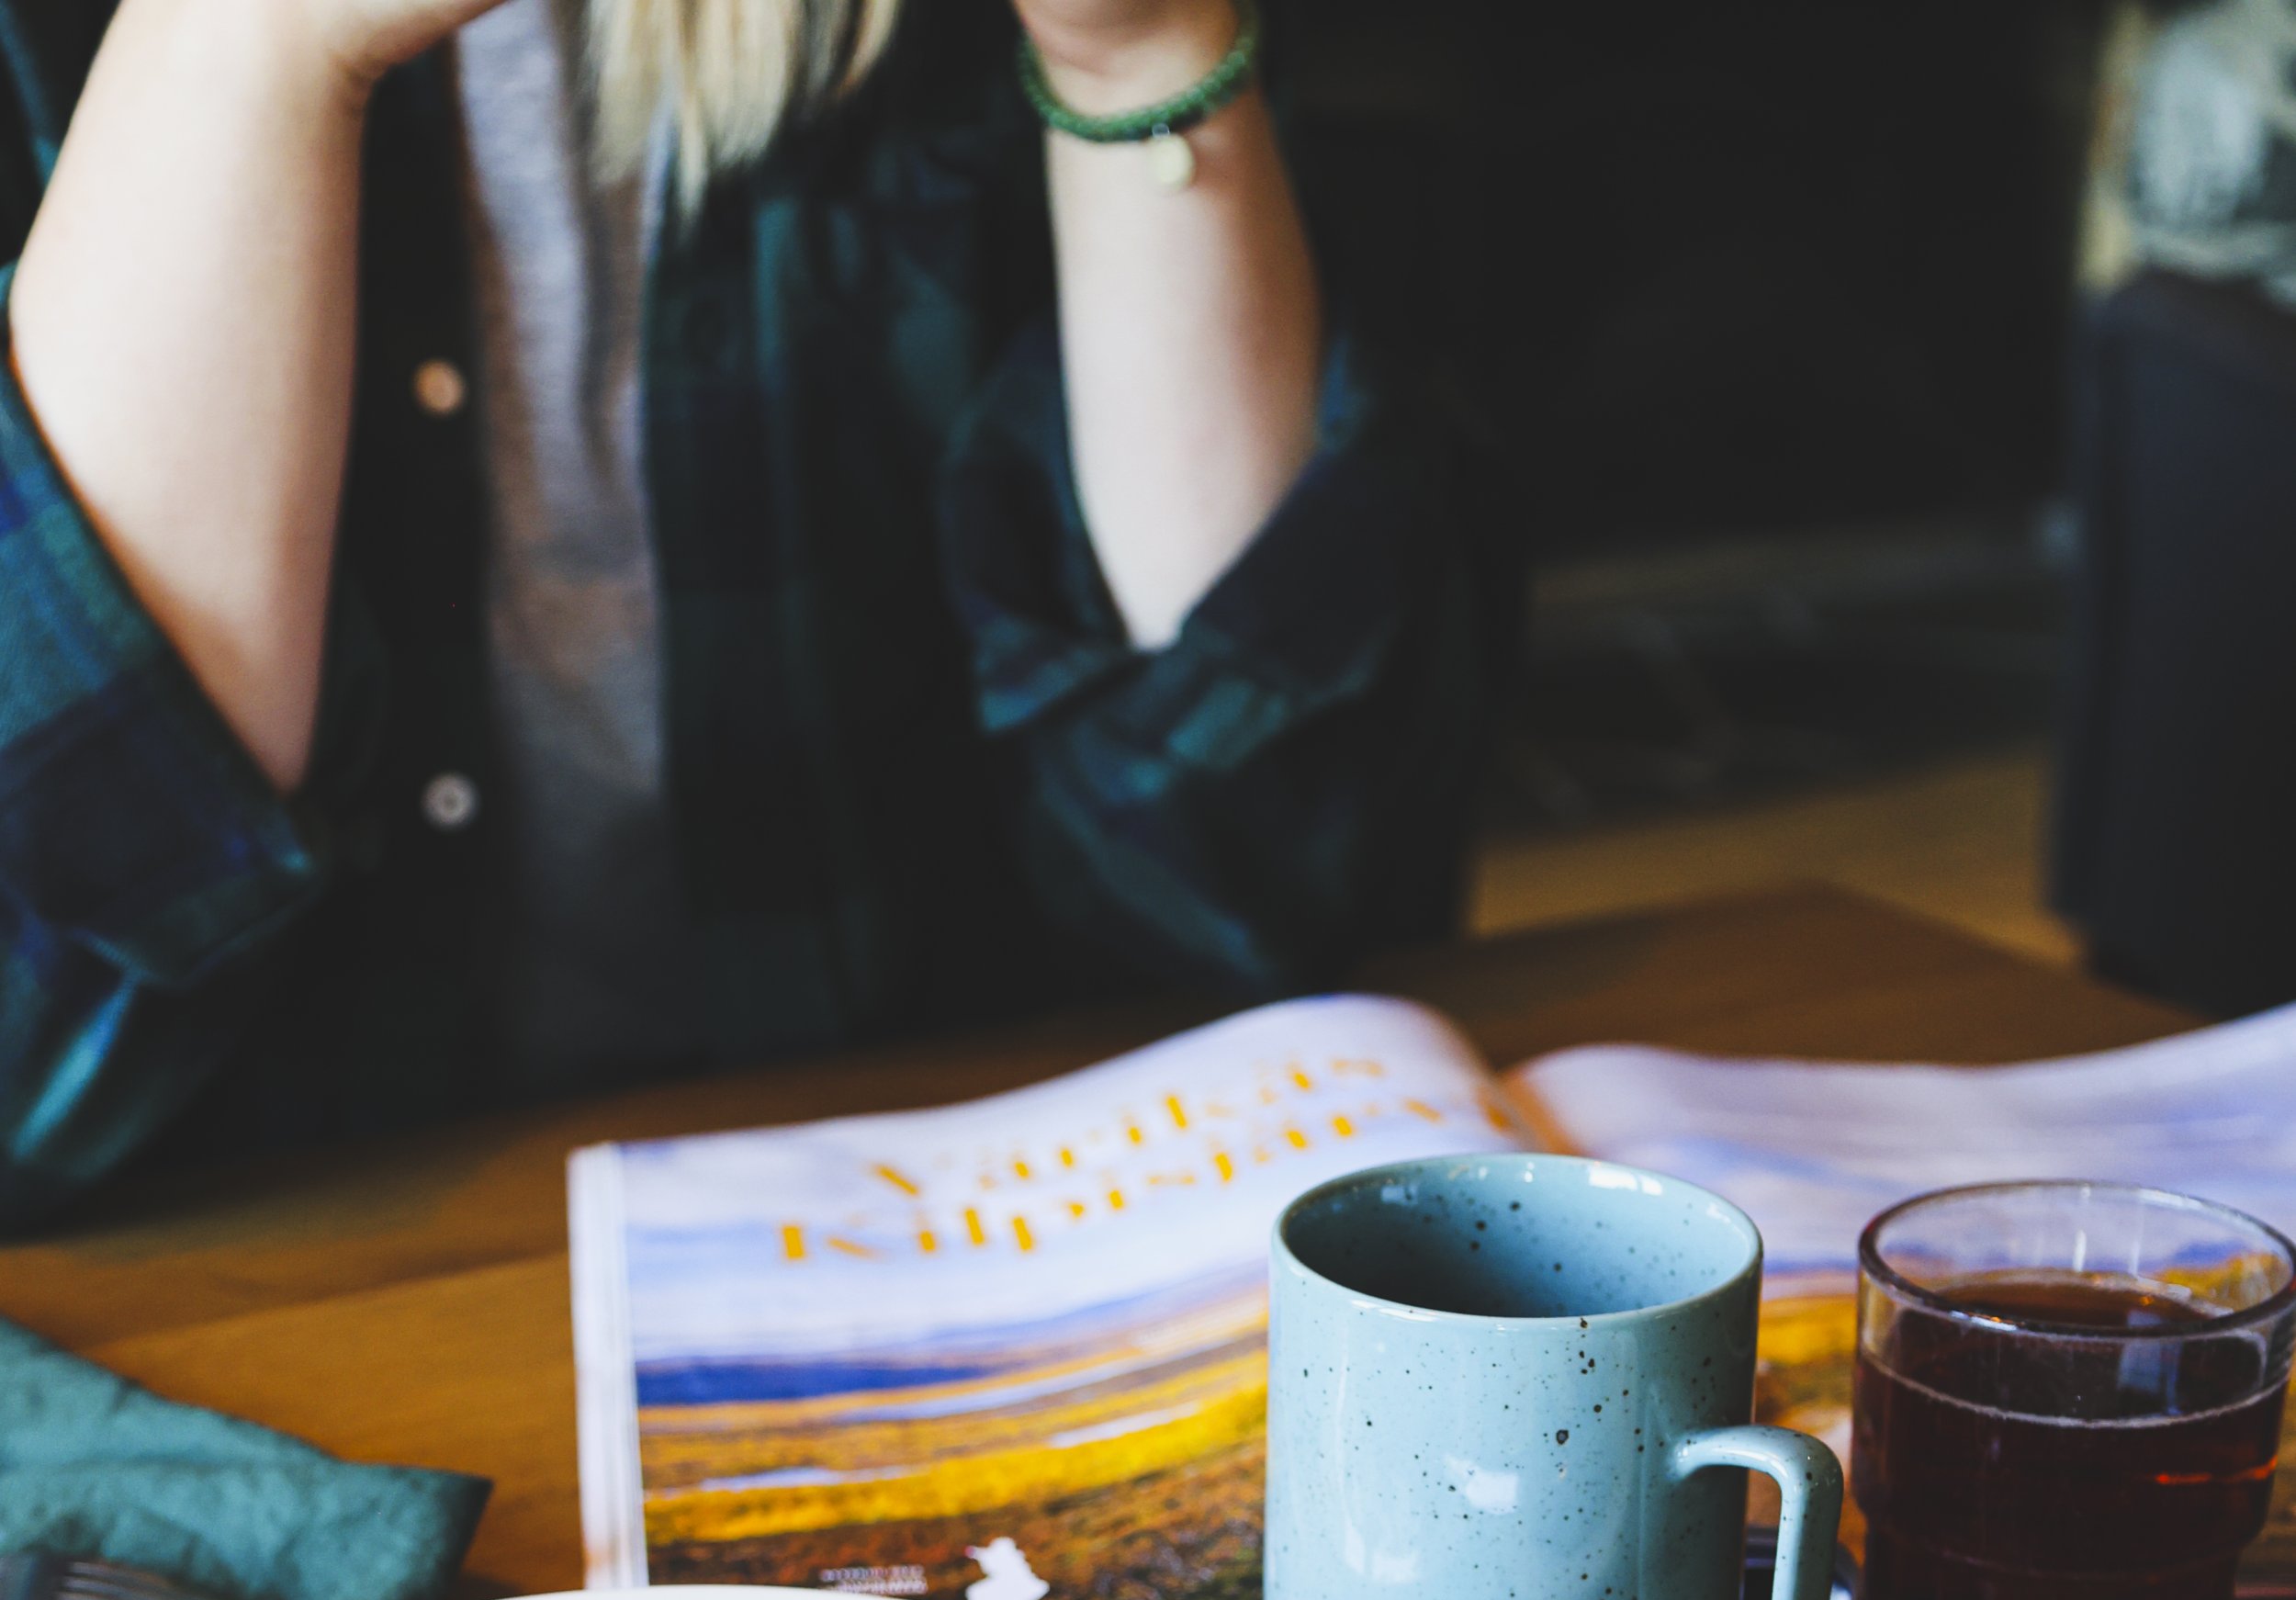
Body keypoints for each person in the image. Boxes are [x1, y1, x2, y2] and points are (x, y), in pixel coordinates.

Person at [0, 0, 1506, 1232]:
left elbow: (1270, 896)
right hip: (247, 1323)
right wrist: (235, 47)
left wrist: (1145, 49)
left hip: (940, 1219)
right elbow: (35, 1069)